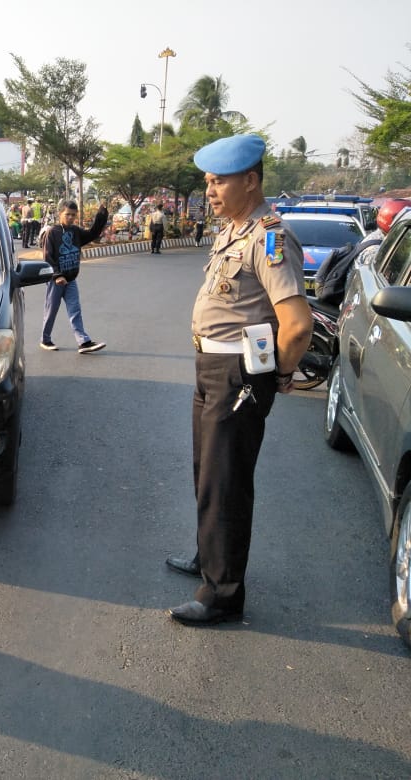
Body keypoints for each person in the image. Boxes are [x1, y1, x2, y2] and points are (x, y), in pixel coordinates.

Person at [166, 134, 312, 626]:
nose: (210, 190)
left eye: (219, 180)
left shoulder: (270, 237)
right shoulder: (234, 230)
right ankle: (209, 558)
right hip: (211, 369)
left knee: (226, 480)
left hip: (238, 374)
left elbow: (296, 323)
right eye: (207, 181)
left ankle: (223, 592)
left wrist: (281, 374)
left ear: (251, 181)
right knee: (206, 472)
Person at [39, 200, 109, 353]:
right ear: (60, 214)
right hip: (56, 281)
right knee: (51, 311)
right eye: (67, 214)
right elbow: (48, 257)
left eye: (73, 215)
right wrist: (57, 275)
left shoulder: (75, 232)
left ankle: (83, 342)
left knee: (75, 309)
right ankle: (45, 339)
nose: (70, 218)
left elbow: (93, 234)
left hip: (70, 280)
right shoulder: (52, 232)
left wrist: (101, 215)